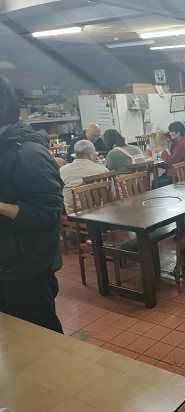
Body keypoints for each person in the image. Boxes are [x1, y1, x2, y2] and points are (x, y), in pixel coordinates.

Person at [0, 75, 64, 333]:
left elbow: (48, 214)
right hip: (5, 264)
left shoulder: (27, 154)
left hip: (26, 270)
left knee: (41, 341)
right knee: (14, 340)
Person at [59, 140, 110, 214]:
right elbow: (111, 193)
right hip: (98, 212)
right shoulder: (102, 170)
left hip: (72, 213)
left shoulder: (62, 170)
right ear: (90, 155)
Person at [156, 121, 185, 187]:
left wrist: (164, 152)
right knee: (154, 181)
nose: (169, 133)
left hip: (178, 175)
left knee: (156, 184)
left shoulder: (182, 144)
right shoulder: (180, 140)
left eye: (171, 132)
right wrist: (164, 133)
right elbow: (171, 137)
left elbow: (171, 162)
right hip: (175, 172)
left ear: (178, 133)